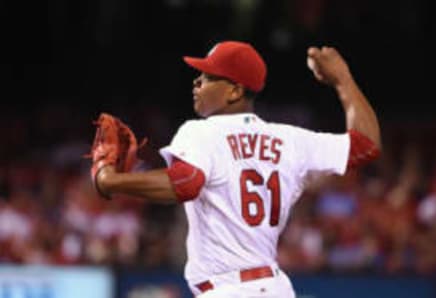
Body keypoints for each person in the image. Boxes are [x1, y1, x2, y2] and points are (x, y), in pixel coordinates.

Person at [94, 40, 382, 297]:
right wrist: (342, 79)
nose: (197, 82)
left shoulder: (202, 131)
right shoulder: (291, 140)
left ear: (234, 91)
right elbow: (365, 145)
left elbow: (186, 182)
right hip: (275, 288)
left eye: (208, 77)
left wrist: (109, 181)